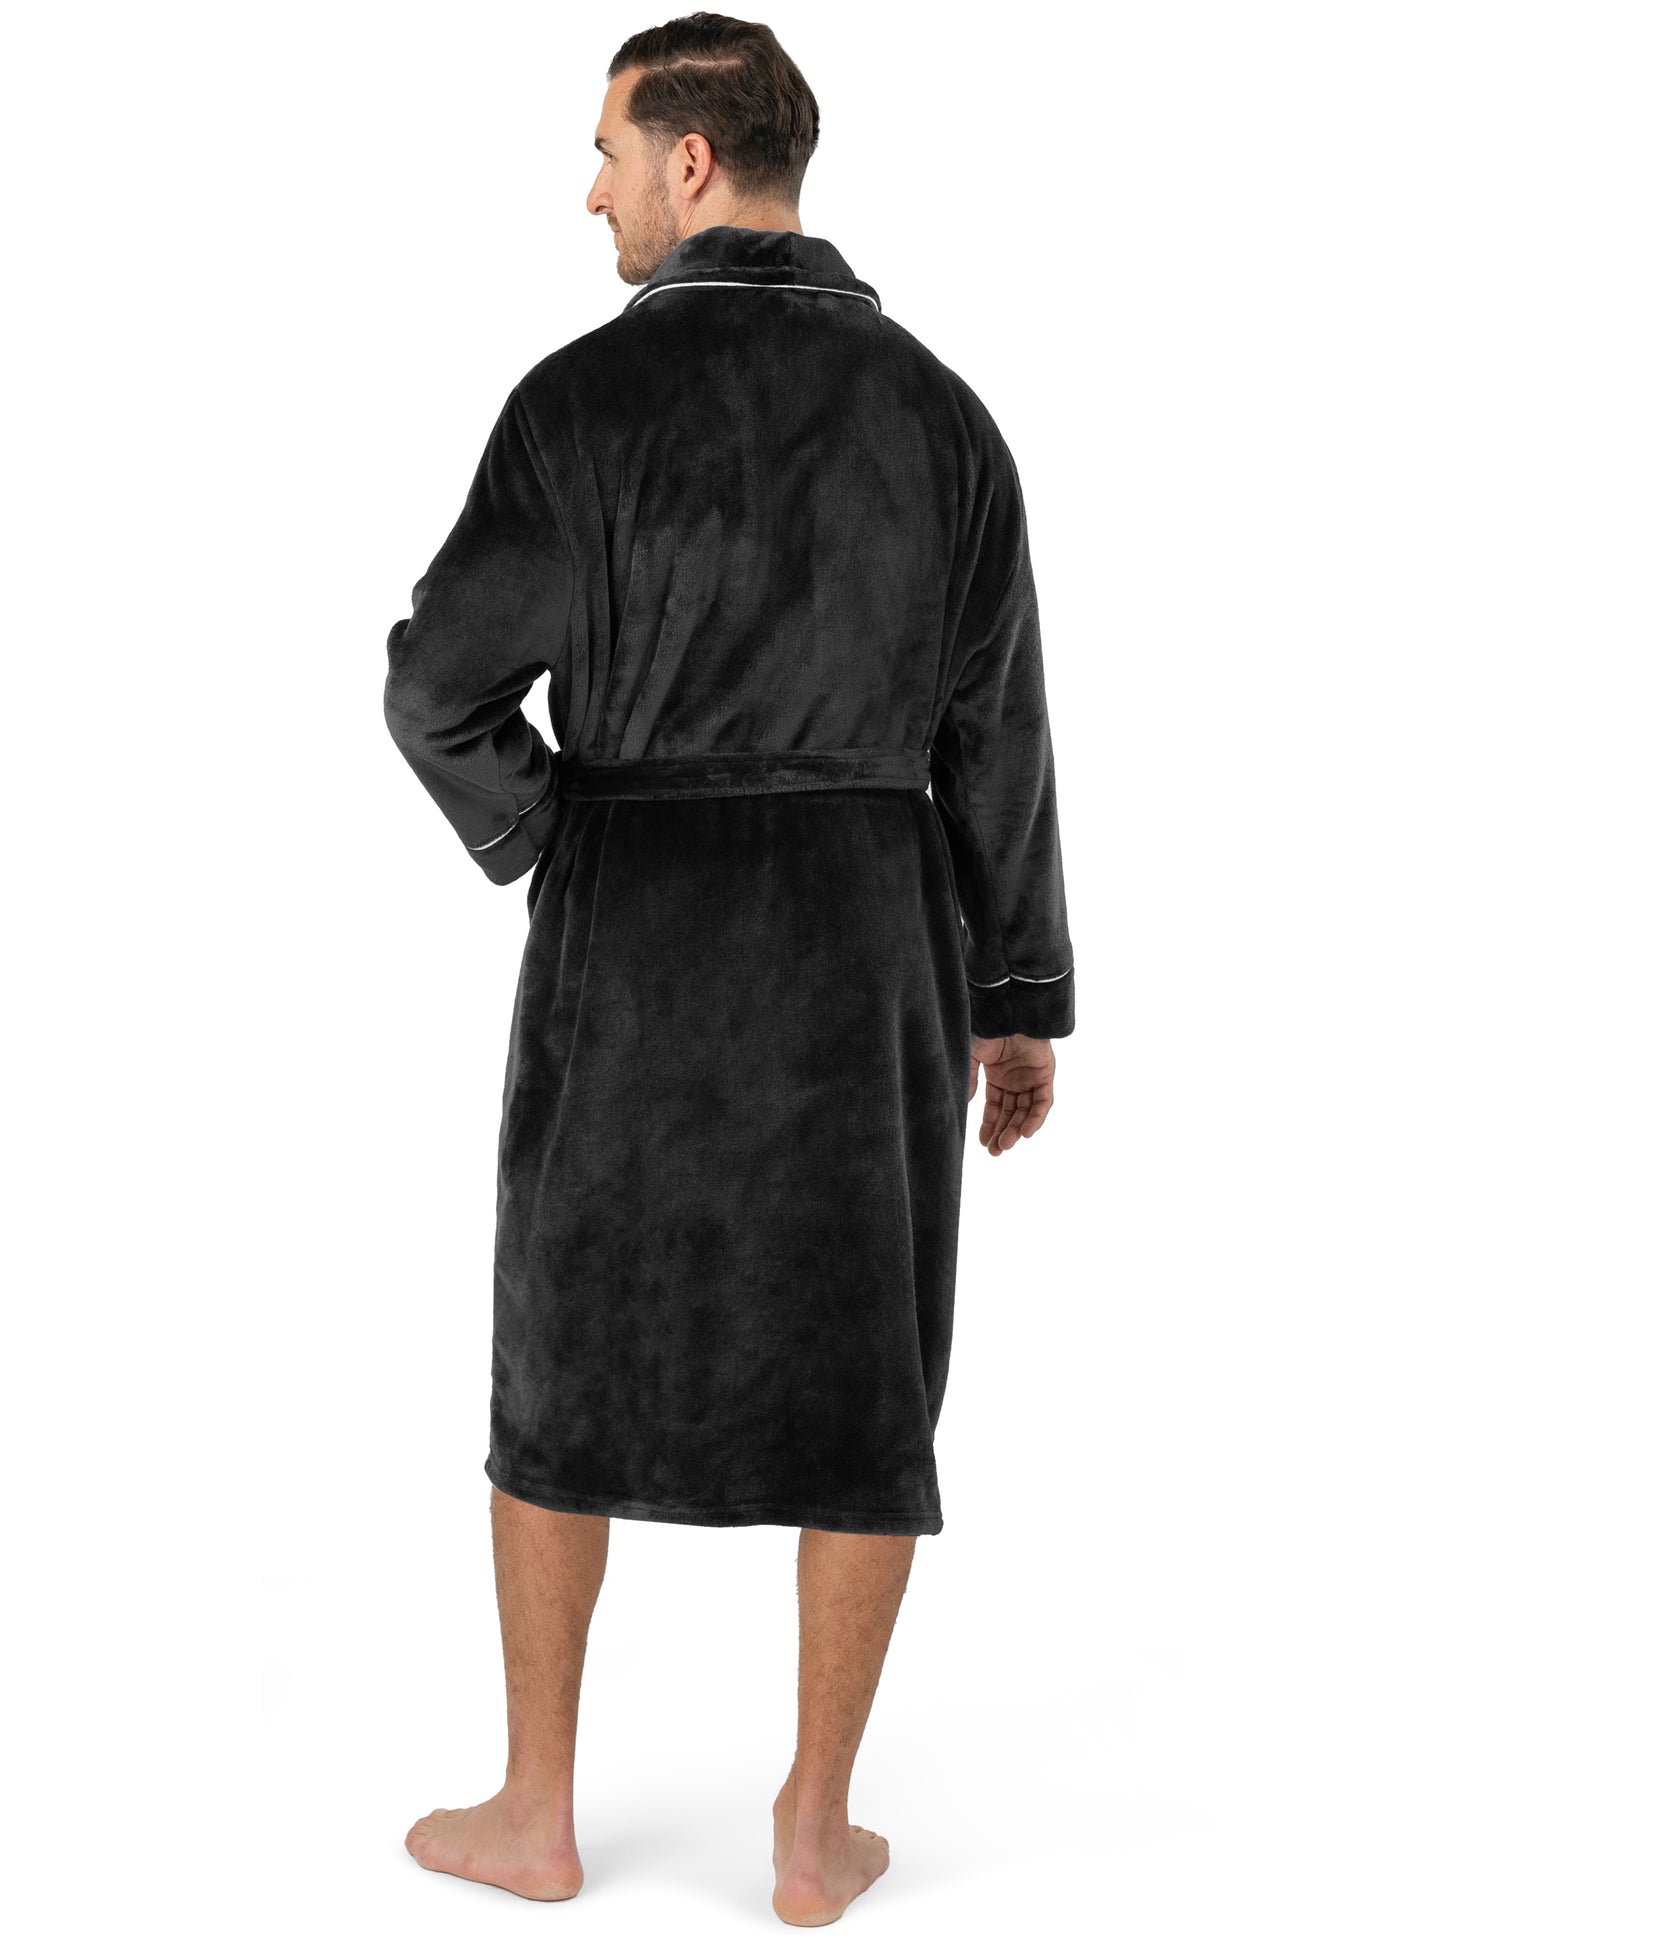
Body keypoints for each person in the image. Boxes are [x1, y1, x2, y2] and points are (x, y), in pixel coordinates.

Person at [384, 13, 1074, 1926]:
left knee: (562, 1344)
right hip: (873, 943)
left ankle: (536, 1809)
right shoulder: (940, 416)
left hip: (637, 935)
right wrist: (1015, 996)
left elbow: (435, 686)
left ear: (690, 162)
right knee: (869, 1361)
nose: (587, 189)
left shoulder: (578, 406)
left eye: (607, 150)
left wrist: (558, 827)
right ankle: (813, 1827)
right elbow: (999, 738)